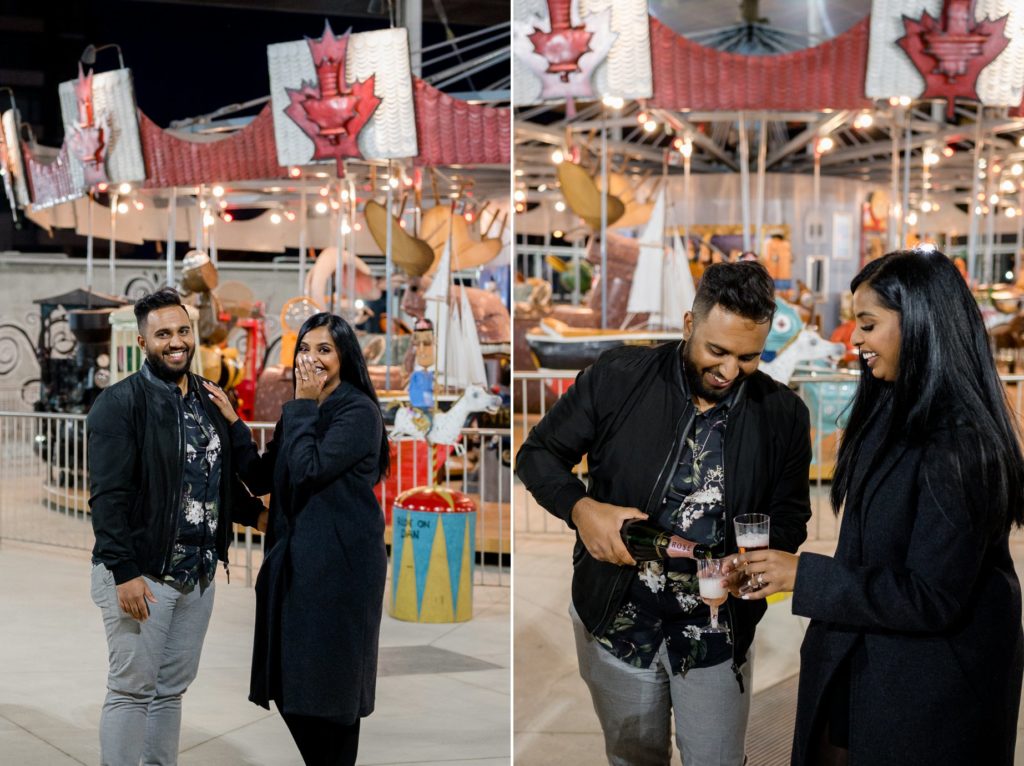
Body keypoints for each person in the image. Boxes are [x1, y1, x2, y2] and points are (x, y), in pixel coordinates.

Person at [731, 248, 1024, 765]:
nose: (856, 339)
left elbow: (932, 595)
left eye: (867, 324)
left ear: (921, 323)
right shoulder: (890, 409)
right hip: (868, 658)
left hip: (930, 687)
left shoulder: (961, 445)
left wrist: (805, 576)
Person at [516, 261, 812, 766]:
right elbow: (537, 455)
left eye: (748, 357)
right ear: (688, 324)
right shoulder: (617, 378)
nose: (728, 371)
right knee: (633, 758)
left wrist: (760, 560)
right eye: (716, 351)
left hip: (717, 629)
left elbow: (789, 515)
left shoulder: (783, 413)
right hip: (617, 619)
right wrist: (581, 508)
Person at [88, 288, 266, 766]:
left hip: (198, 576)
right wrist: (123, 572)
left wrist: (259, 517)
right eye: (163, 334)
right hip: (143, 574)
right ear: (144, 341)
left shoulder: (211, 399)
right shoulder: (120, 404)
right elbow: (108, 499)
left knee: (170, 691)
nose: (176, 342)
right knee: (131, 690)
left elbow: (218, 483)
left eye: (182, 331)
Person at [205, 312, 390, 766]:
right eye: (304, 349)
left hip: (341, 567)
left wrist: (303, 404)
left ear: (345, 356)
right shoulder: (301, 410)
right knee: (291, 685)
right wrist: (233, 421)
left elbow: (309, 469)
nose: (312, 358)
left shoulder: (357, 412)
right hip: (296, 563)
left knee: (332, 692)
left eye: (324, 349)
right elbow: (263, 473)